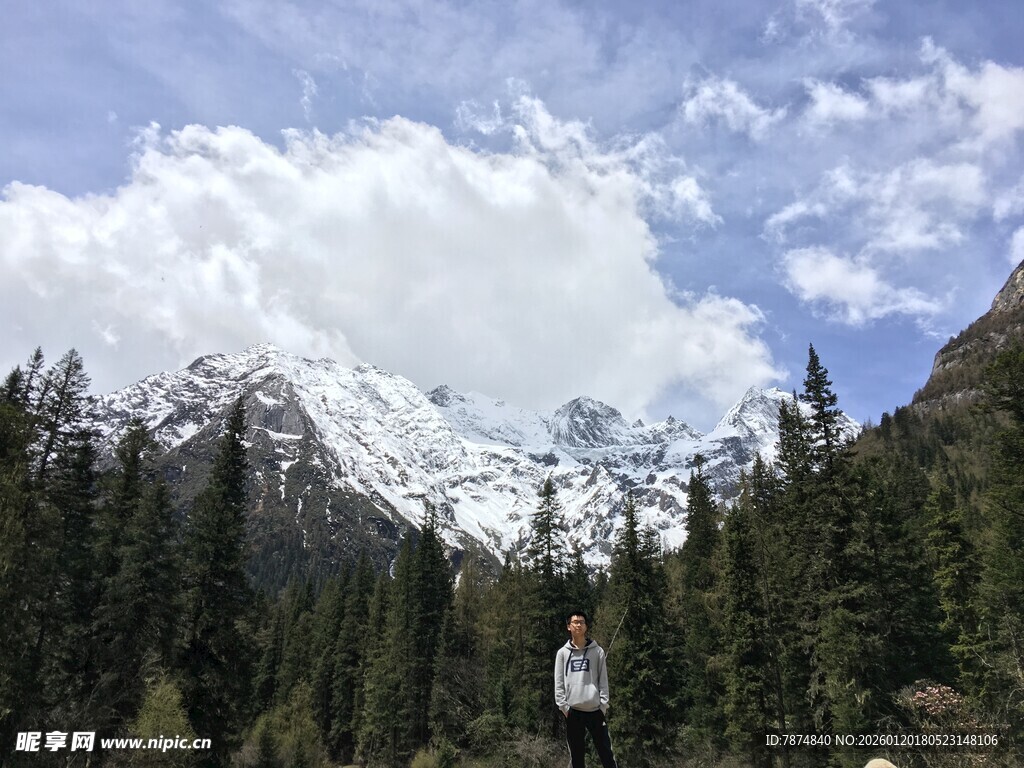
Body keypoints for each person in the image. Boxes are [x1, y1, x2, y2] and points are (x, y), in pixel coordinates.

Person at [554, 610, 618, 768]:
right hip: (573, 712)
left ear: (586, 626)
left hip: (595, 710)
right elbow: (559, 683)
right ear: (568, 626)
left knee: (606, 755)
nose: (578, 625)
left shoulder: (597, 651)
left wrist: (603, 706)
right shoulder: (562, 653)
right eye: (575, 622)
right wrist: (564, 707)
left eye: (581, 622)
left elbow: (603, 680)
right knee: (577, 758)